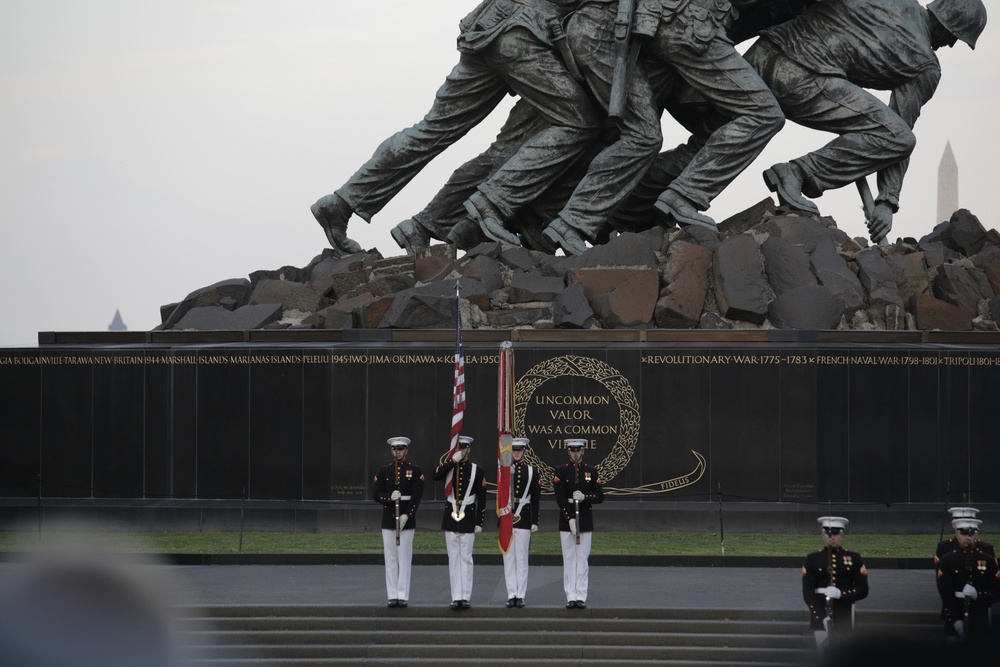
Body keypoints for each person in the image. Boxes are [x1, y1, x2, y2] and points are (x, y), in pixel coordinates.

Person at [311, 0, 601, 255]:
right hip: (526, 38)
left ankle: (343, 202)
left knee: (432, 130)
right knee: (579, 122)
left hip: (491, 24)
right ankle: (492, 204)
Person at [538, 0, 785, 254]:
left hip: (670, 24)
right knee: (763, 114)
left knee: (644, 136)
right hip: (689, 25)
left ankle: (590, 218)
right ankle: (683, 197)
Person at [742, 0, 988, 243]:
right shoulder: (926, 65)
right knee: (898, 137)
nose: (952, 44)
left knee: (708, 129)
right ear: (946, 24)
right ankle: (796, 173)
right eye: (956, 36)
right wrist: (887, 201)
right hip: (798, 79)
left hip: (758, 55)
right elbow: (899, 132)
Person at [432, 435, 487, 610]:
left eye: (465, 448)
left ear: (469, 449)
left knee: (466, 558)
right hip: (451, 515)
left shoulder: (477, 470)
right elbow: (435, 475)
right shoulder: (449, 469)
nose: (462, 451)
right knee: (453, 558)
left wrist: (480, 521)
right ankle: (456, 596)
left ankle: (466, 596)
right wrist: (451, 462)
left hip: (468, 515)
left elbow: (482, 498)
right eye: (459, 448)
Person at [801, 516, 869, 650]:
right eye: (827, 533)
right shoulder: (812, 559)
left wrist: (841, 594)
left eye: (835, 533)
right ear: (822, 535)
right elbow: (808, 592)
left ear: (842, 535)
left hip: (844, 614)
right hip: (820, 614)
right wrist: (820, 617)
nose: (831, 537)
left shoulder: (854, 558)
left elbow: (863, 589)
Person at [372, 436, 424, 608]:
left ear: (406, 450)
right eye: (395, 449)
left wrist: (407, 515)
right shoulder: (383, 471)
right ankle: (392, 594)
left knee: (404, 558)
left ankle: (403, 595)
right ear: (391, 451)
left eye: (401, 449)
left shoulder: (415, 471)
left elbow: (416, 496)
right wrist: (388, 497)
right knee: (391, 558)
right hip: (388, 518)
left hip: (406, 520)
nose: (398, 452)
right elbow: (376, 494)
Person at [552, 438, 604, 609]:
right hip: (567, 520)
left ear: (583, 451)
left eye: (578, 450)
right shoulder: (560, 471)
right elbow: (560, 498)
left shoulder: (591, 471)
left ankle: (580, 595)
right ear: (568, 452)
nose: (575, 453)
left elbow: (599, 496)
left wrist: (585, 497)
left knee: (582, 560)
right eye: (572, 450)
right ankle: (570, 596)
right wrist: (570, 519)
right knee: (569, 559)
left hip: (585, 519)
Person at [936, 516, 999, 642]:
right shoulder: (948, 560)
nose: (967, 537)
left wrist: (979, 595)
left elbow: (997, 590)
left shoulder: (988, 560)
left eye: (971, 533)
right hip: (955, 612)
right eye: (963, 533)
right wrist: (956, 620)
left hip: (979, 615)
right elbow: (945, 591)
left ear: (977, 535)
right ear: (957, 535)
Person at [501, 437, 541, 608]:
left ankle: (521, 594)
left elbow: (536, 499)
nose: (516, 453)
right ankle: (511, 594)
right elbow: (500, 497)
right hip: (507, 517)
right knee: (509, 557)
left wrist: (534, 520)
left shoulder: (532, 471)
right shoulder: (503, 470)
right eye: (514, 450)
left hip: (523, 517)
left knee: (522, 558)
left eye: (519, 450)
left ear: (525, 452)